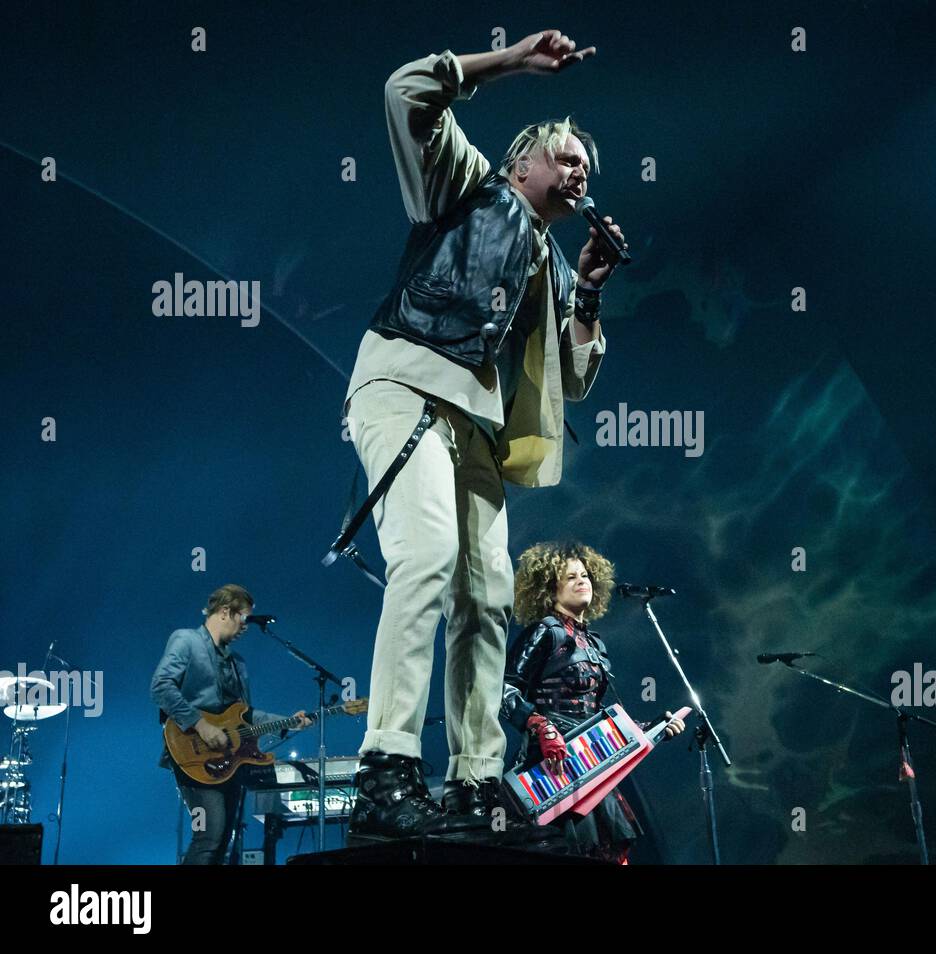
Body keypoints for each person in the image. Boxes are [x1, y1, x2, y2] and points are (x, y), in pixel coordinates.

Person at [342, 28, 626, 842]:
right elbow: (405, 91)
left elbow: (571, 379)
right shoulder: (470, 188)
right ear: (521, 165)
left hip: (476, 428)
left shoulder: (554, 264)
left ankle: (474, 780)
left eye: (586, 171)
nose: (579, 176)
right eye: (567, 159)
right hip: (405, 385)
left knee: (489, 598)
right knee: (425, 558)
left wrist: (592, 295)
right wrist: (506, 63)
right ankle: (387, 763)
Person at [502, 543, 684, 863]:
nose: (581, 580)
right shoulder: (545, 631)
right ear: (550, 587)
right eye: (570, 576)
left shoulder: (594, 641)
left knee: (610, 851)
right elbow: (503, 690)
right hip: (554, 762)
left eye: (584, 575)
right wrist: (540, 725)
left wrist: (653, 728)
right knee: (571, 848)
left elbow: (597, 713)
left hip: (591, 757)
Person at [149, 584, 309, 865]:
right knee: (209, 836)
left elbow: (245, 717)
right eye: (243, 618)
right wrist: (202, 725)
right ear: (225, 611)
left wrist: (288, 723)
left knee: (224, 841)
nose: (245, 626)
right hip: (191, 750)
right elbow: (161, 686)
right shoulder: (186, 640)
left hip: (228, 760)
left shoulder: (238, 663)